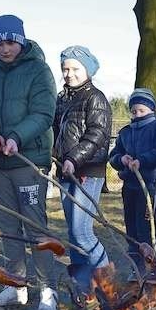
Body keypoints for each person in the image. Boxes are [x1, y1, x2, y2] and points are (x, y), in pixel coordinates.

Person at [0, 14, 58, 310]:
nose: (4, 49)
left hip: (27, 160)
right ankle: (15, 286)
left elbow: (44, 112)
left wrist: (17, 137)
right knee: (8, 226)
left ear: (20, 41)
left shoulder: (39, 71)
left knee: (35, 226)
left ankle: (48, 290)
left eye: (10, 42)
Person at [53, 45, 112, 292]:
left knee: (82, 231)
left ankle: (107, 285)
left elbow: (97, 135)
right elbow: (56, 133)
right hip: (66, 171)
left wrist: (74, 159)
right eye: (65, 69)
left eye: (75, 68)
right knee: (73, 234)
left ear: (88, 69)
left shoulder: (95, 98)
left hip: (88, 171)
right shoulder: (63, 99)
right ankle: (82, 285)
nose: (69, 74)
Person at [109, 88, 156, 283]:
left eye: (142, 111)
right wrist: (122, 159)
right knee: (132, 229)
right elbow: (113, 156)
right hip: (129, 185)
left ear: (151, 109)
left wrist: (142, 161)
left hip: (148, 185)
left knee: (146, 228)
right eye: (134, 111)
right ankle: (137, 267)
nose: (137, 114)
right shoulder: (125, 132)